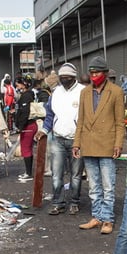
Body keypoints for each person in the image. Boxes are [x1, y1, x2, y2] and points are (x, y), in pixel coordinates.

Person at [73, 56, 125, 235]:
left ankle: (108, 219)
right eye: (91, 72)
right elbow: (80, 120)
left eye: (97, 72)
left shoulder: (116, 92)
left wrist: (118, 143)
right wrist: (77, 142)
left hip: (107, 145)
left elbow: (120, 122)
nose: (94, 75)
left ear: (105, 73)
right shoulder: (84, 92)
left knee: (108, 185)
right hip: (88, 143)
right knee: (94, 185)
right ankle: (96, 217)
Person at [37, 63, 85, 216]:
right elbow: (50, 115)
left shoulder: (83, 92)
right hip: (57, 138)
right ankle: (58, 203)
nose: (64, 80)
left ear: (73, 77)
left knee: (76, 175)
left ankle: (74, 202)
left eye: (67, 77)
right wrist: (44, 130)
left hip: (77, 140)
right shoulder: (56, 92)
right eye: (62, 77)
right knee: (56, 174)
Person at [13, 77, 38, 180]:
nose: (16, 87)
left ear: (23, 84)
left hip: (28, 126)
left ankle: (28, 173)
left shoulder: (26, 96)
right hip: (30, 124)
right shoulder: (29, 95)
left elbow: (25, 112)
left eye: (17, 85)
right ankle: (28, 171)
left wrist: (20, 126)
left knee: (25, 149)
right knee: (28, 148)